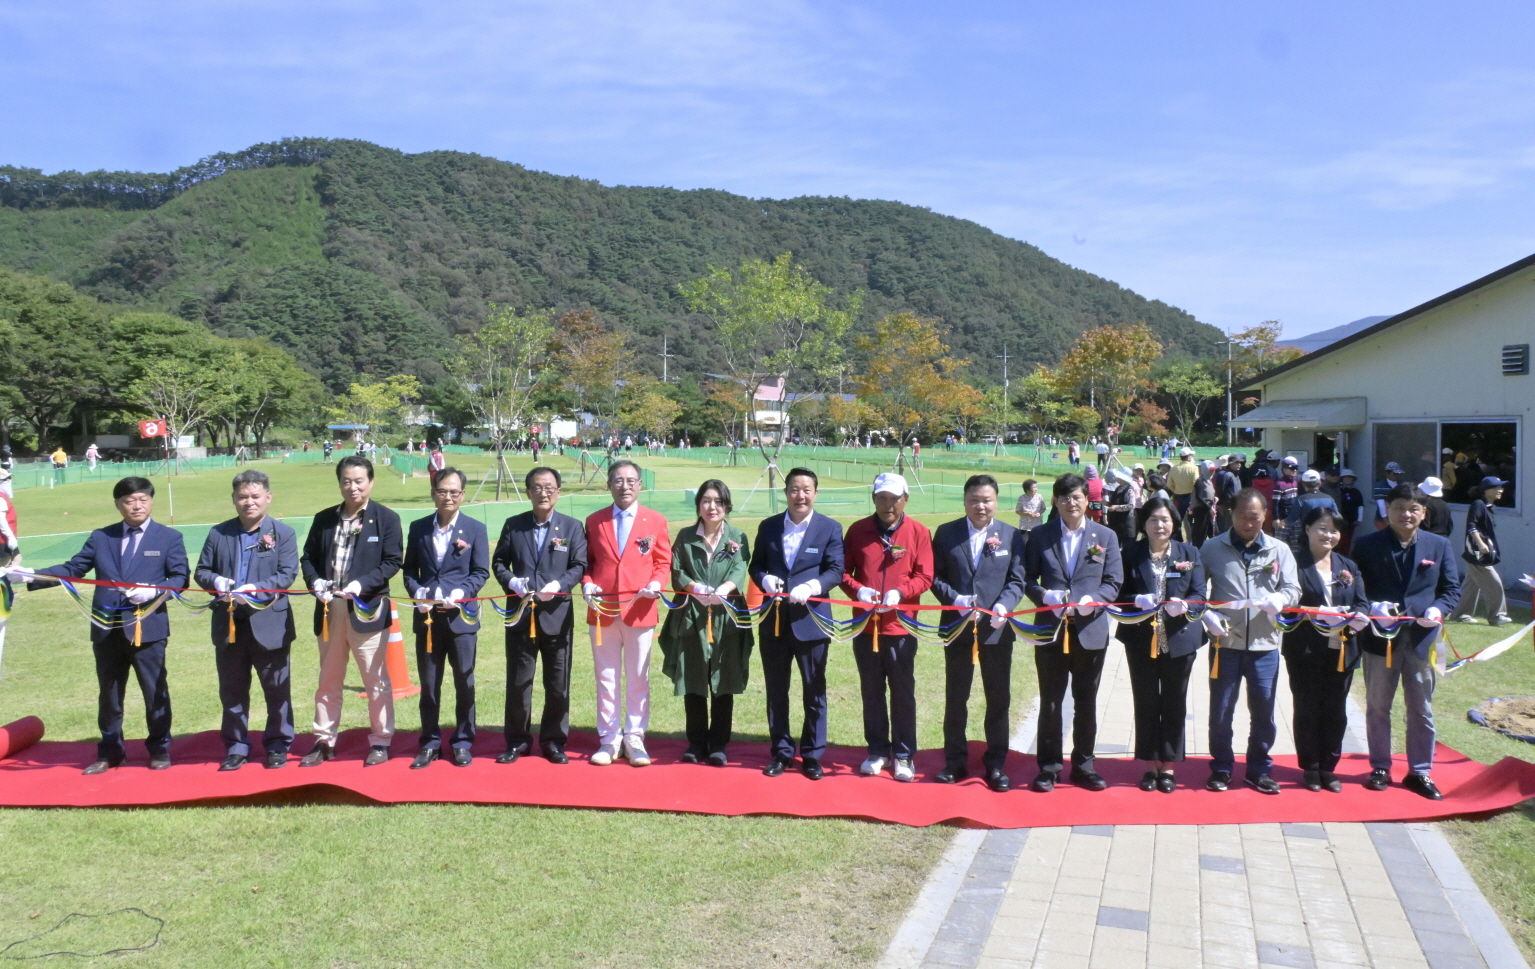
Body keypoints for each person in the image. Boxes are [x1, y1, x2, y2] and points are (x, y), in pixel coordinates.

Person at [12, 477, 188, 773]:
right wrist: (32, 575)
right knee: (109, 693)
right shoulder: (101, 537)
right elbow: (73, 569)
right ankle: (110, 751)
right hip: (106, 628)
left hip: (147, 628)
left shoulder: (168, 537)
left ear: (151, 501)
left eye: (143, 499)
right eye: (129, 500)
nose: (137, 505)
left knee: (155, 690)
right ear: (118, 504)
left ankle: (159, 748)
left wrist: (155, 590)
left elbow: (180, 578)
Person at [1352, 483, 1461, 799]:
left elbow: (1451, 589)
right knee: (1377, 707)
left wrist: (1438, 609)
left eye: (1413, 509)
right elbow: (1355, 589)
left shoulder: (1438, 545)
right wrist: (1373, 607)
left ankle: (1420, 771)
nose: (1406, 514)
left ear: (1423, 513)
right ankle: (1380, 767)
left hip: (1420, 639)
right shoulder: (1367, 545)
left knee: (1421, 709)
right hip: (1380, 640)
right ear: (1388, 509)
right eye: (1399, 507)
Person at [1019, 473, 1124, 792]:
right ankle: (1049, 767)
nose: (1071, 503)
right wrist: (1044, 596)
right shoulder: (1040, 535)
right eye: (1064, 498)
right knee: (1051, 702)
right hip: (1050, 629)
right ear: (1055, 501)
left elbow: (1114, 581)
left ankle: (1084, 765)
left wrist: (1096, 600)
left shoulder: (1105, 536)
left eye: (1076, 497)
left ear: (1086, 499)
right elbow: (1026, 578)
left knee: (1086, 701)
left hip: (1090, 630)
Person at [298, 456, 404, 767]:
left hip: (367, 609)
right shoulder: (324, 519)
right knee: (329, 679)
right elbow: (308, 558)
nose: (352, 487)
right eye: (346, 481)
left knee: (376, 681)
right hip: (330, 609)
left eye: (359, 481)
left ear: (370, 482)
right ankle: (324, 740)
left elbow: (392, 561)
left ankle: (381, 740)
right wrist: (315, 582)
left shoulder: (386, 518)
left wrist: (361, 584)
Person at [193, 470, 299, 771]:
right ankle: (237, 746)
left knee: (277, 690)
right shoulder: (218, 533)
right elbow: (201, 571)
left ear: (268, 497)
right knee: (232, 691)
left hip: (269, 624)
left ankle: (277, 745)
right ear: (233, 499)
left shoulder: (283, 533)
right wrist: (217, 582)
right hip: (229, 625)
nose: (249, 502)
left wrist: (256, 590)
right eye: (242, 497)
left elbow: (287, 574)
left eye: (255, 496)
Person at [1198, 487, 1300, 794]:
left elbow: (1294, 588)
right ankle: (1221, 767)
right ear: (1231, 514)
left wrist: (1281, 598)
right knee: (1221, 710)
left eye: (1254, 516)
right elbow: (1196, 590)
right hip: (1225, 644)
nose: (1248, 522)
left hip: (1265, 645)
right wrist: (1207, 615)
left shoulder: (1279, 550)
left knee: (1264, 711)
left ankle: (1258, 769)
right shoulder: (1212, 547)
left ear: (1265, 515)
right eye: (1242, 515)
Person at [749, 468, 846, 780]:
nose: (800, 496)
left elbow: (836, 570)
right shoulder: (768, 526)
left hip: (812, 622)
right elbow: (756, 566)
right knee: (777, 690)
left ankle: (813, 755)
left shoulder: (829, 527)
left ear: (815, 493)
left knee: (814, 691)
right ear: (786, 492)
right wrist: (764, 579)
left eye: (806, 490)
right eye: (794, 489)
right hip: (775, 622)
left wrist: (812, 586)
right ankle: (781, 751)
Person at [841, 473, 934, 783]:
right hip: (865, 627)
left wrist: (900, 593)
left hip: (901, 627)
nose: (887, 505)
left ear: (905, 500)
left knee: (903, 692)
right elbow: (842, 572)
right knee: (871, 691)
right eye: (881, 498)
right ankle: (877, 751)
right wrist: (859, 591)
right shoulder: (857, 531)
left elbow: (925, 576)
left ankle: (904, 754)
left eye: (894, 499)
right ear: (873, 499)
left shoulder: (919, 532)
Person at [931, 475, 1022, 791]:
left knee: (998, 698)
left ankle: (996, 764)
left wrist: (1004, 606)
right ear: (964, 500)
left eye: (986, 500)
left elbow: (1017, 579)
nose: (980, 506)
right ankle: (954, 762)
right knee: (956, 697)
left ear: (996, 501)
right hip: (957, 628)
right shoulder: (946, 533)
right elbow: (934, 577)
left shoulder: (1011, 535)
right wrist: (955, 600)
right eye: (974, 500)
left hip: (996, 630)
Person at [492, 467, 589, 764]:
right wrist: (512, 582)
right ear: (528, 492)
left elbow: (579, 565)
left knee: (558, 683)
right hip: (521, 614)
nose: (543, 493)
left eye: (549, 487)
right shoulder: (514, 525)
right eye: (537, 487)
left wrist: (559, 586)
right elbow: (499, 562)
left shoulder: (572, 527)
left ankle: (553, 741)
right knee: (519, 682)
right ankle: (517, 741)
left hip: (556, 616)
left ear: (558, 492)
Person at [581, 460, 673, 767]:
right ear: (609, 485)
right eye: (618, 481)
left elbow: (662, 562)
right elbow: (587, 563)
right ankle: (609, 739)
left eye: (631, 481)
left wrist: (657, 583)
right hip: (603, 611)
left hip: (640, 610)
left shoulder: (655, 520)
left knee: (638, 678)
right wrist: (587, 583)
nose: (625, 486)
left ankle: (634, 737)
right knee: (606, 678)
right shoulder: (594, 521)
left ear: (640, 485)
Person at [659, 480, 754, 765]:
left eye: (718, 501)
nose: (712, 507)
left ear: (727, 506)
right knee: (694, 677)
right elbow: (676, 570)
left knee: (724, 678)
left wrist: (725, 589)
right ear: (698, 504)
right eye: (706, 501)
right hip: (692, 615)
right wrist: (695, 588)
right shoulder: (686, 536)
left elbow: (740, 567)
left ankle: (719, 744)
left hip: (727, 616)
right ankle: (697, 742)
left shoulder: (737, 536)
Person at [402, 467, 490, 768]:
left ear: (462, 495)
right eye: (442, 491)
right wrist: (417, 592)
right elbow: (409, 570)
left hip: (461, 618)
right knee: (429, 684)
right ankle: (429, 742)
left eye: (454, 492)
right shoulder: (418, 528)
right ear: (433, 493)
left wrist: (463, 592)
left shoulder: (475, 528)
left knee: (464, 681)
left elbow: (480, 572)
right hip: (428, 619)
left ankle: (463, 741)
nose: (448, 497)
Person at [1116, 496, 1205, 793]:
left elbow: (1200, 594)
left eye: (1165, 519)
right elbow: (1117, 593)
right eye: (1153, 519)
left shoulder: (1189, 552)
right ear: (1144, 523)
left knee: (1174, 702)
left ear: (1174, 524)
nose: (1159, 525)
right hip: (1140, 640)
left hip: (1179, 639)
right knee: (1146, 701)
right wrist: (1136, 600)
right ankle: (1149, 764)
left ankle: (1168, 765)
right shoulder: (1131, 552)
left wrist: (1186, 605)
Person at [1283, 506, 1371, 792]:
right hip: (1305, 648)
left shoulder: (1348, 565)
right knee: (1307, 706)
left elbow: (1361, 601)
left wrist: (1358, 616)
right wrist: (1317, 612)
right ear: (1307, 529)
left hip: (1342, 647)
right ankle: (1310, 766)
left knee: (1336, 709)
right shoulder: (1294, 564)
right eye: (1322, 528)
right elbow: (1285, 605)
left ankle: (1329, 767)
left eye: (1334, 530)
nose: (1328, 535)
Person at [1451, 476, 1511, 626]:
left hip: (1477, 552)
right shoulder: (1478, 504)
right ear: (1486, 490)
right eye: (1496, 487)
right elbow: (1471, 526)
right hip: (1478, 553)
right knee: (1494, 582)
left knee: (1470, 585)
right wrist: (1481, 544)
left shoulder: (1488, 507)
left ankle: (1460, 615)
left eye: (1501, 487)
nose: (1500, 490)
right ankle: (1497, 616)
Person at [1284, 470, 1338, 552]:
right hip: (1327, 536)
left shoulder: (1301, 499)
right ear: (1320, 483)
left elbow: (1292, 519)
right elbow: (1337, 517)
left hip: (1308, 537)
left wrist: (1282, 523)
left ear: (1304, 485)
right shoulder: (1330, 498)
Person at [1336, 469, 1366, 555]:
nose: (1348, 479)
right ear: (1342, 479)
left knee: (1347, 540)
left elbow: (1360, 506)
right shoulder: (1338, 491)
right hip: (1339, 520)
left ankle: (1344, 556)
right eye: (1346, 477)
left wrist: (1359, 519)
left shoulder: (1356, 492)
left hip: (1351, 521)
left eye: (1350, 478)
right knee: (1338, 539)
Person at [1188, 461, 1218, 545]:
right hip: (1201, 511)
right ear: (1205, 470)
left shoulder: (1209, 481)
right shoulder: (1200, 481)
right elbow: (1199, 497)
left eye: (1213, 470)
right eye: (1210, 470)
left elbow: (1207, 495)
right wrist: (1210, 508)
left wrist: (1214, 499)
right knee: (1200, 534)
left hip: (1208, 510)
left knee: (1213, 532)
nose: (1212, 472)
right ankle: (1197, 550)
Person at [1214, 457, 1242, 535]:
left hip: (1235, 505)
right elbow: (1221, 490)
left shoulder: (1236, 474)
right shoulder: (1227, 475)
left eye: (1239, 463)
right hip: (1227, 506)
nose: (1239, 465)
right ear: (1230, 464)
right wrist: (1222, 504)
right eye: (1236, 463)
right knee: (1228, 527)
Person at [1373, 461, 1405, 528]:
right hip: (1383, 519)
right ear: (1387, 473)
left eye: (1399, 474)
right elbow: (1381, 505)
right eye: (1395, 474)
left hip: (1399, 518)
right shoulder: (1380, 486)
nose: (1397, 476)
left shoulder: (1402, 485)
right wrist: (1386, 520)